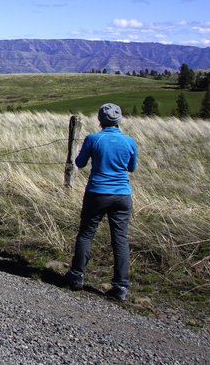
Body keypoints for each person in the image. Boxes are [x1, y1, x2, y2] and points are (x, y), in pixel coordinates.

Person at [65, 103, 138, 301]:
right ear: (119, 119)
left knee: (87, 234)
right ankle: (121, 286)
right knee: (120, 239)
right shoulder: (129, 141)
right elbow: (132, 168)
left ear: (100, 119)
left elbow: (79, 163)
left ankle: (77, 276)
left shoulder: (93, 139)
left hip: (97, 192)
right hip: (123, 194)